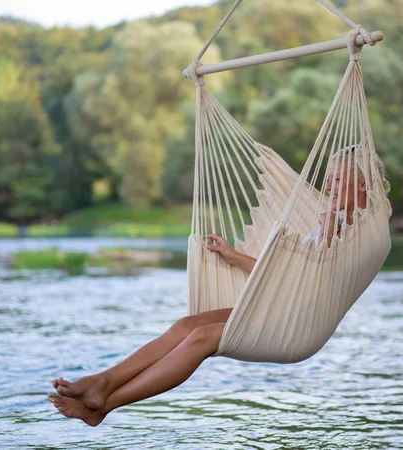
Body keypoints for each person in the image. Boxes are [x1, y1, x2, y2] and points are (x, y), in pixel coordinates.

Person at [48, 146, 369, 426]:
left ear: (363, 185)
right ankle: (103, 383)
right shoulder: (329, 221)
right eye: (328, 178)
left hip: (295, 321)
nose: (328, 185)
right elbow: (285, 274)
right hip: (276, 303)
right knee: (186, 325)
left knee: (202, 338)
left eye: (337, 179)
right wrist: (234, 256)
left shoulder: (357, 230)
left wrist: (328, 234)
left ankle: (105, 405)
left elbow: (318, 273)